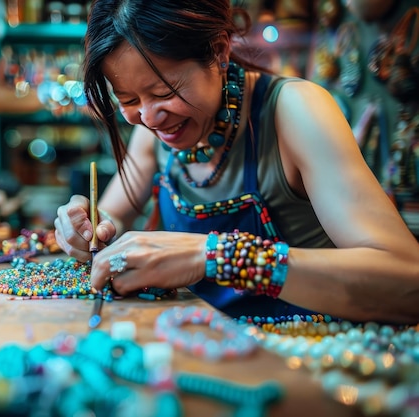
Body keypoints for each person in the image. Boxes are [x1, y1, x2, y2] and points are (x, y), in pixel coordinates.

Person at [53, 0, 419, 324]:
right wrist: (85, 229)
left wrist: (215, 255)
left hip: (317, 367)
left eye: (164, 92)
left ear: (219, 51)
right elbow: (112, 217)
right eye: (128, 100)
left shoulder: (295, 111)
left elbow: (407, 280)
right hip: (205, 352)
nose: (148, 116)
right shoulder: (155, 129)